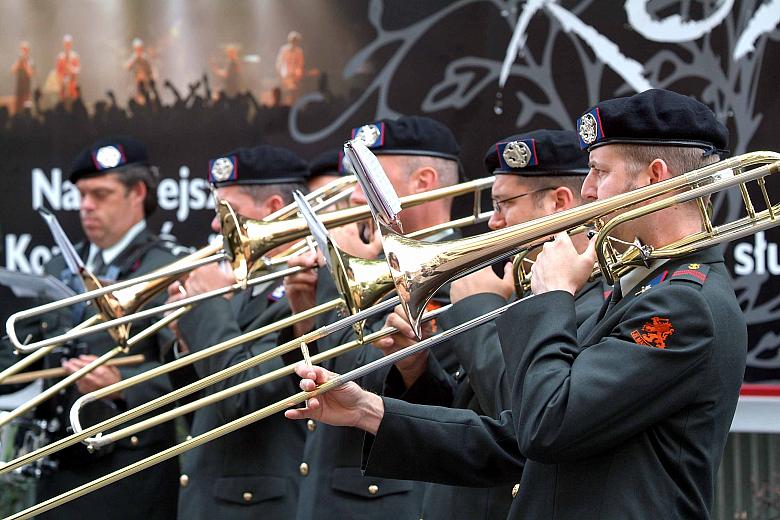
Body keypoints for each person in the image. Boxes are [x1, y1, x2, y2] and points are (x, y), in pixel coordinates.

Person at [287, 89, 747, 519]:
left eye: (600, 172)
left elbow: (548, 422)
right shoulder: (644, 286)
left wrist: (551, 298)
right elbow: (514, 438)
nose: (587, 190)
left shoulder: (684, 306)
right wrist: (368, 410)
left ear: (655, 177)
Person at [371, 129, 607, 519]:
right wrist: (416, 369)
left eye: (503, 205)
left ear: (559, 203)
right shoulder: (520, 287)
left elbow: (520, 420)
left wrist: (477, 309)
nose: (493, 223)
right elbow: (467, 419)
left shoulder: (591, 302)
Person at [283, 116, 462, 520]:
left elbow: (369, 385)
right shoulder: (373, 262)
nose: (350, 198)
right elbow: (314, 394)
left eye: (367, 179)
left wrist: (340, 282)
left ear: (424, 181)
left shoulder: (456, 273)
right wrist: (303, 317)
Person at [31, 136, 181, 519]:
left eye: (100, 194)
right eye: (81, 195)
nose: (85, 206)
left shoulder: (167, 267)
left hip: (130, 470)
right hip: (59, 464)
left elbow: (187, 368)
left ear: (138, 193)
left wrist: (121, 387)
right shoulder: (56, 266)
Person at [166, 145, 310, 519]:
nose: (215, 225)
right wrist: (185, 337)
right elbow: (196, 403)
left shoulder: (305, 289)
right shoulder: (245, 281)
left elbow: (244, 396)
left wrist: (208, 305)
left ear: (274, 208)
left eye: (226, 212)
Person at [275, 31, 304, 105]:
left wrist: (297, 76)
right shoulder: (284, 50)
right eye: (293, 40)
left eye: (296, 40)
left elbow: (300, 64)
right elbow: (280, 63)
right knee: (285, 94)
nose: (294, 42)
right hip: (285, 77)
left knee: (294, 94)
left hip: (294, 77)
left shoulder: (299, 51)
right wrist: (281, 75)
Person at [124, 38, 155, 105]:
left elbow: (150, 69)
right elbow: (127, 66)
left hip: (146, 81)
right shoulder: (133, 57)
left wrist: (150, 77)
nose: (138, 49)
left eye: (139, 48)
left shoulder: (145, 57)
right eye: (136, 48)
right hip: (137, 82)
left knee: (149, 96)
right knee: (139, 97)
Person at [55, 34, 80, 102]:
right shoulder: (60, 57)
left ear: (71, 44)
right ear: (63, 44)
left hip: (72, 83)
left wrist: (71, 68)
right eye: (66, 44)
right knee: (63, 100)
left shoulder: (75, 56)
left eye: (69, 44)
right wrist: (61, 81)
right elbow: (57, 72)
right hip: (63, 85)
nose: (67, 45)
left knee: (73, 100)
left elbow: (77, 70)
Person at [11, 41, 34, 113]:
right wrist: (19, 62)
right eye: (22, 49)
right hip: (18, 90)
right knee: (17, 108)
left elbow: (30, 74)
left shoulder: (31, 61)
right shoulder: (18, 60)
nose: (24, 51)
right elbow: (12, 71)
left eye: (25, 49)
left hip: (27, 90)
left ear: (28, 50)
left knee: (27, 109)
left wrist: (24, 64)